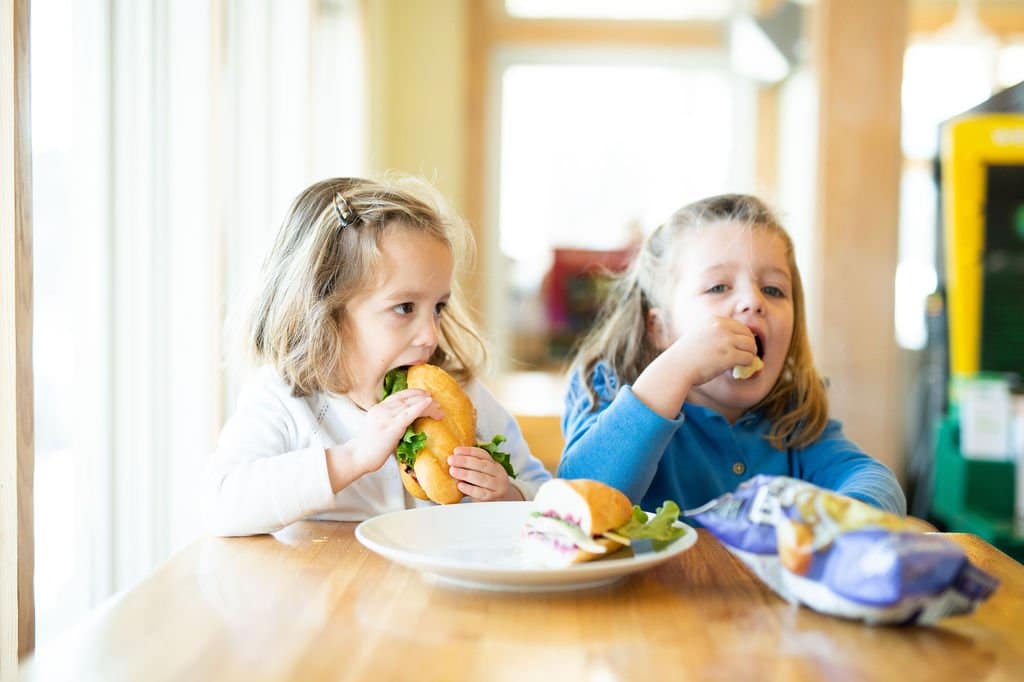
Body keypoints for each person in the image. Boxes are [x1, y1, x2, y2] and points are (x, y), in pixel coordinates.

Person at [203, 175, 550, 536]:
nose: (431, 335)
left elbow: (547, 497)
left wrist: (509, 496)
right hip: (327, 589)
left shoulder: (463, 396)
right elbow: (219, 506)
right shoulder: (286, 399)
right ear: (327, 313)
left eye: (438, 308)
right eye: (404, 308)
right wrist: (352, 458)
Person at [557, 194, 906, 517]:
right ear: (659, 327)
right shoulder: (608, 389)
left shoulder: (792, 422)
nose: (753, 300)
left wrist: (845, 522)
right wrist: (676, 369)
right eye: (718, 287)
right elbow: (578, 501)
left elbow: (873, 480)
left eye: (773, 289)